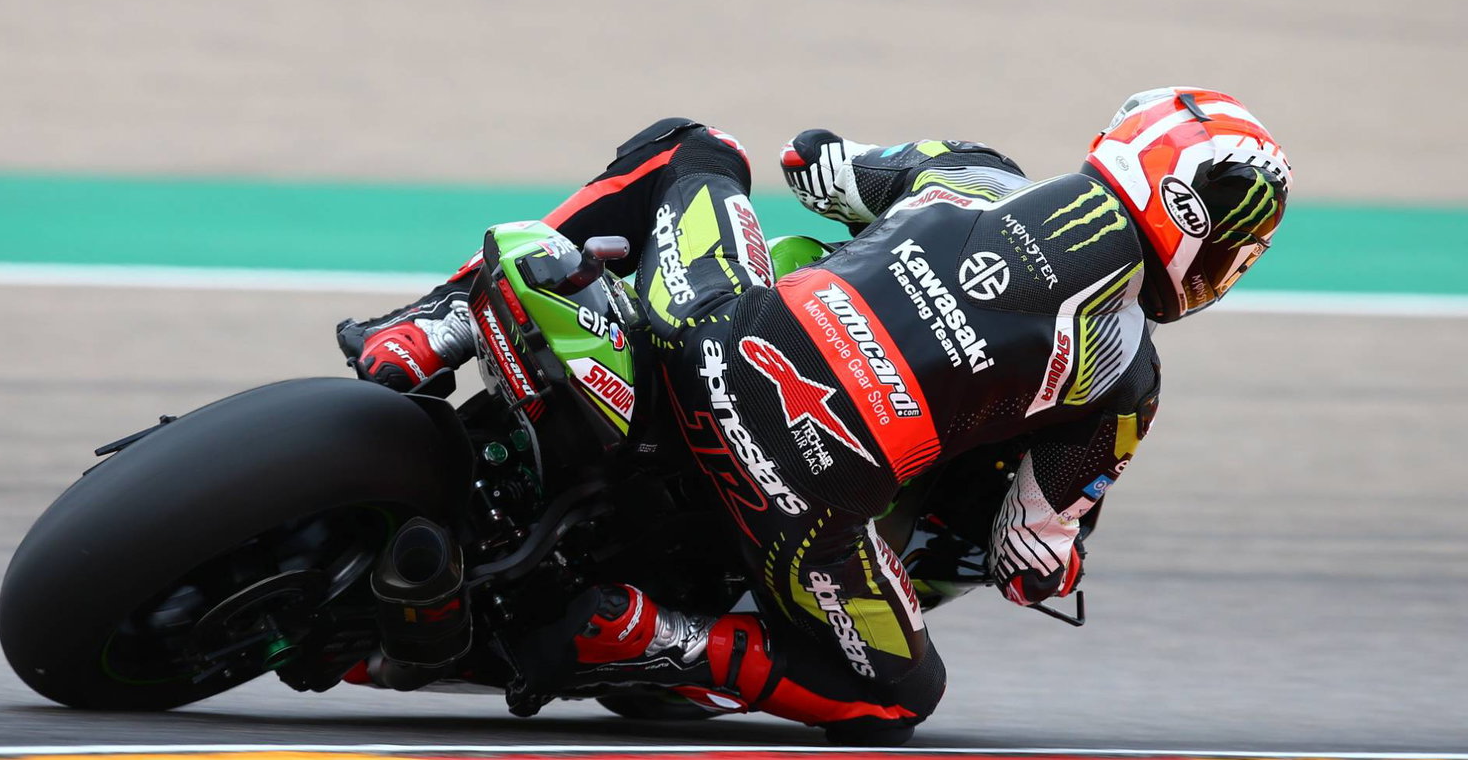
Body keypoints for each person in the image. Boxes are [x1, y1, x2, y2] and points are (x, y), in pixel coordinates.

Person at [335, 87, 1292, 744]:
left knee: (693, 148)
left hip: (708, 336)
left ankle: (434, 325)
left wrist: (869, 203)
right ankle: (649, 635)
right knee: (897, 695)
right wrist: (1054, 566)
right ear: (1203, 240)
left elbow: (815, 165)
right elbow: (1028, 549)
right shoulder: (1125, 374)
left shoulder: (971, 171)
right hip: (803, 500)